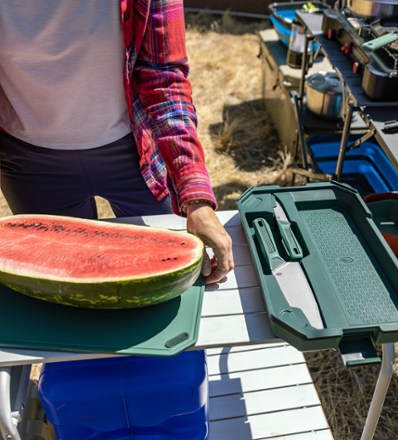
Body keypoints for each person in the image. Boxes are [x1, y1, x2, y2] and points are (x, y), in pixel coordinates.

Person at [0, 0, 234, 284]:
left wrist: (196, 200)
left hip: (138, 156)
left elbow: (165, 81)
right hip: (29, 165)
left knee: (165, 276)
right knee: (62, 287)